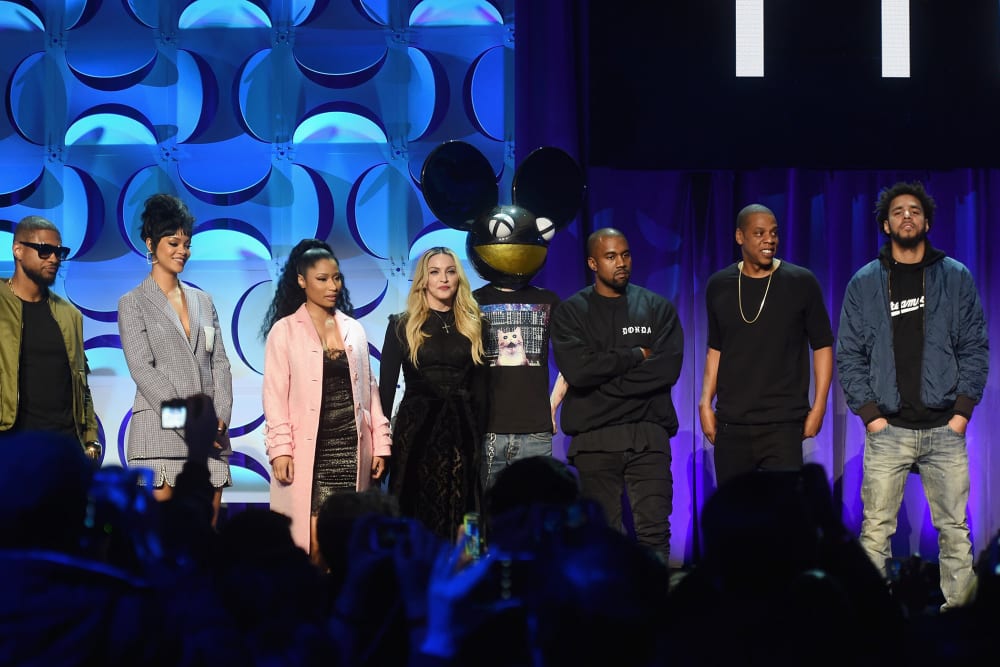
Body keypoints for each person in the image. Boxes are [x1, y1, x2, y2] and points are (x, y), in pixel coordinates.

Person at [837, 181, 989, 610]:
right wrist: (870, 416)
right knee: (875, 531)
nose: (907, 216)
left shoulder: (955, 276)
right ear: (886, 224)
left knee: (955, 531)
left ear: (927, 222)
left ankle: (960, 617)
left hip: (944, 427)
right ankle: (873, 615)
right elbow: (849, 353)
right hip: (888, 429)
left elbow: (975, 347)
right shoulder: (865, 283)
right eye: (899, 211)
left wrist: (961, 413)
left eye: (915, 211)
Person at [550, 227, 683, 562]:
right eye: (611, 256)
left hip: (648, 435)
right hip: (594, 440)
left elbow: (666, 371)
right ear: (593, 262)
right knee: (602, 537)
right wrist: (635, 355)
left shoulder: (657, 308)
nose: (621, 263)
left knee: (654, 532)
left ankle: (655, 609)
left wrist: (602, 381)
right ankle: (609, 612)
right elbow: (578, 372)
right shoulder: (570, 313)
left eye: (625, 255)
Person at [261, 239, 391, 557]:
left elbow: (370, 392)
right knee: (315, 543)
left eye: (336, 278)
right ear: (302, 281)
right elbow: (274, 397)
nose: (332, 286)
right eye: (322, 279)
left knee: (348, 539)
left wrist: (381, 443)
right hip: (311, 451)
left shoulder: (354, 330)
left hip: (352, 445)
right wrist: (280, 450)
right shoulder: (285, 330)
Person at [699, 204, 834, 487]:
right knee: (735, 517)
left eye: (773, 233)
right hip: (732, 422)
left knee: (784, 516)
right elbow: (716, 348)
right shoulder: (719, 285)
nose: (769, 240)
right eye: (759, 233)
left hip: (783, 422)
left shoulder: (801, 282)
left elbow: (822, 345)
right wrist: (705, 402)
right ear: (740, 237)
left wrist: (819, 405)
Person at [117, 193, 233, 522]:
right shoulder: (133, 302)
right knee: (162, 541)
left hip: (211, 440)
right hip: (160, 435)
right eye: (173, 242)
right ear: (150, 244)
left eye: (187, 243)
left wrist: (218, 417)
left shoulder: (203, 300)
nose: (182, 250)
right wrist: (192, 422)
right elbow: (143, 370)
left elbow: (220, 364)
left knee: (206, 543)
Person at [379, 246, 488, 540]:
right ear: (423, 279)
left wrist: (481, 437)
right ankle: (412, 575)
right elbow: (385, 391)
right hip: (416, 432)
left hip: (463, 433)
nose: (444, 278)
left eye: (451, 271)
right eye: (435, 272)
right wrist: (380, 444)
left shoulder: (475, 324)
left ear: (459, 278)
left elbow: (482, 390)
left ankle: (469, 576)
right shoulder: (401, 325)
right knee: (413, 507)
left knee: (468, 507)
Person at [1, 216, 100, 459]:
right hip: (12, 447)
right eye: (45, 250)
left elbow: (81, 383)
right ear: (18, 250)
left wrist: (91, 439)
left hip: (64, 448)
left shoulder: (70, 315)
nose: (54, 258)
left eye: (59, 252)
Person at [473, 280, 561, 490]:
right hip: (487, 433)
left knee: (538, 517)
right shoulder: (472, 301)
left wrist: (552, 406)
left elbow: (572, 358)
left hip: (535, 433)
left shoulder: (548, 300)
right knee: (489, 516)